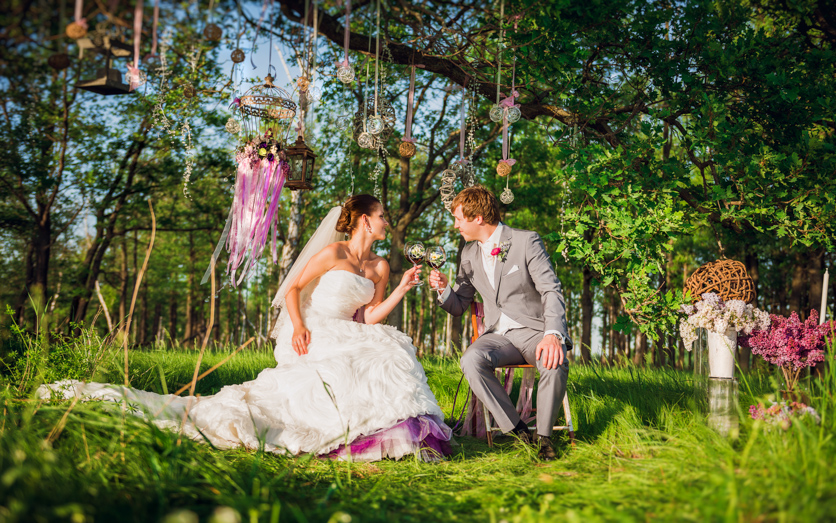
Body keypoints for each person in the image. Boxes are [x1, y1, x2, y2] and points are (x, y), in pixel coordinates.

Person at [39, 195, 452, 462]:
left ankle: (381, 428)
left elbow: (368, 317)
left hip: (349, 328)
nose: (386, 222)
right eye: (381, 217)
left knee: (388, 347)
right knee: (355, 360)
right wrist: (298, 327)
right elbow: (291, 288)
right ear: (364, 220)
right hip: (317, 327)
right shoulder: (333, 252)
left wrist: (400, 287)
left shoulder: (380, 266)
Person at [429, 186, 571, 461]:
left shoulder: (525, 241)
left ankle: (544, 439)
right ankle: (518, 431)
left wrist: (553, 334)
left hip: (534, 332)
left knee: (554, 360)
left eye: (459, 219)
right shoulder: (468, 254)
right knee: (471, 360)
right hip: (498, 336)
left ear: (478, 217)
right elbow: (458, 305)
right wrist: (443, 289)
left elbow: (551, 290)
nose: (456, 225)